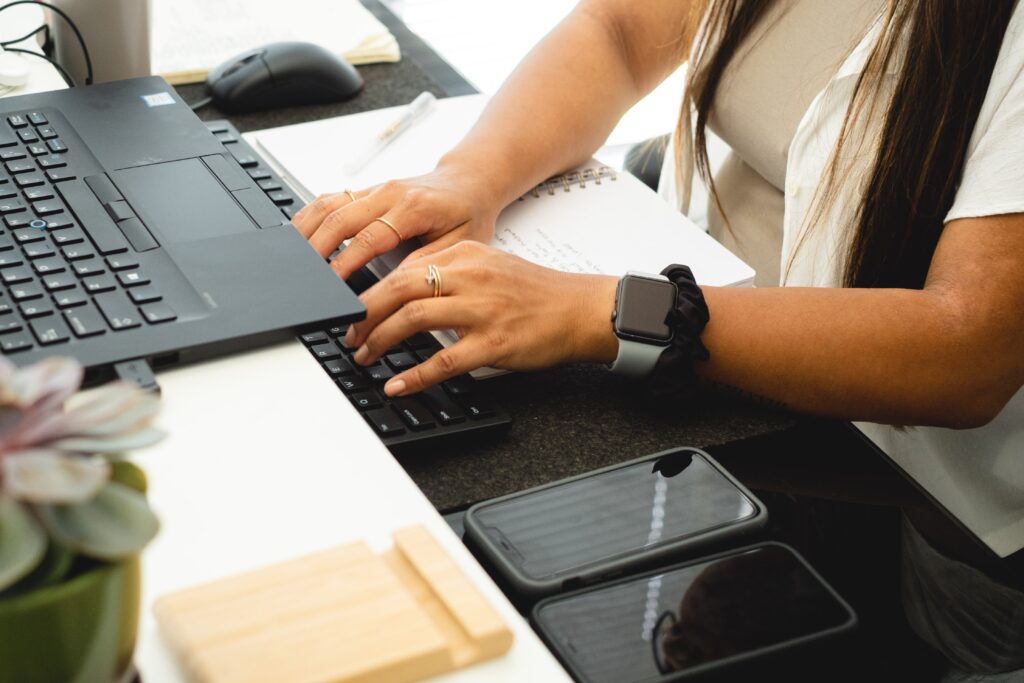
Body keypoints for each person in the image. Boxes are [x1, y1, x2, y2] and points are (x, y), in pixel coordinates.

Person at [293, 1, 1024, 555]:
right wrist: (468, 178)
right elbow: (618, 33)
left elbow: (966, 352)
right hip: (706, 350)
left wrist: (601, 310)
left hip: (905, 497)